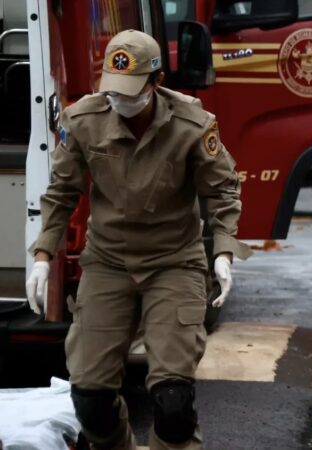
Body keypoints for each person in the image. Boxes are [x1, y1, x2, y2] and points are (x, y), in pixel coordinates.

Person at [24, 30, 251, 449]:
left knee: (173, 401)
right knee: (90, 398)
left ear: (156, 81)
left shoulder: (192, 125)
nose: (121, 102)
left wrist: (223, 251)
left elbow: (223, 190)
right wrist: (42, 254)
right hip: (108, 262)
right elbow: (61, 192)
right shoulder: (84, 120)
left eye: (131, 93)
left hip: (173, 262)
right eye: (113, 91)